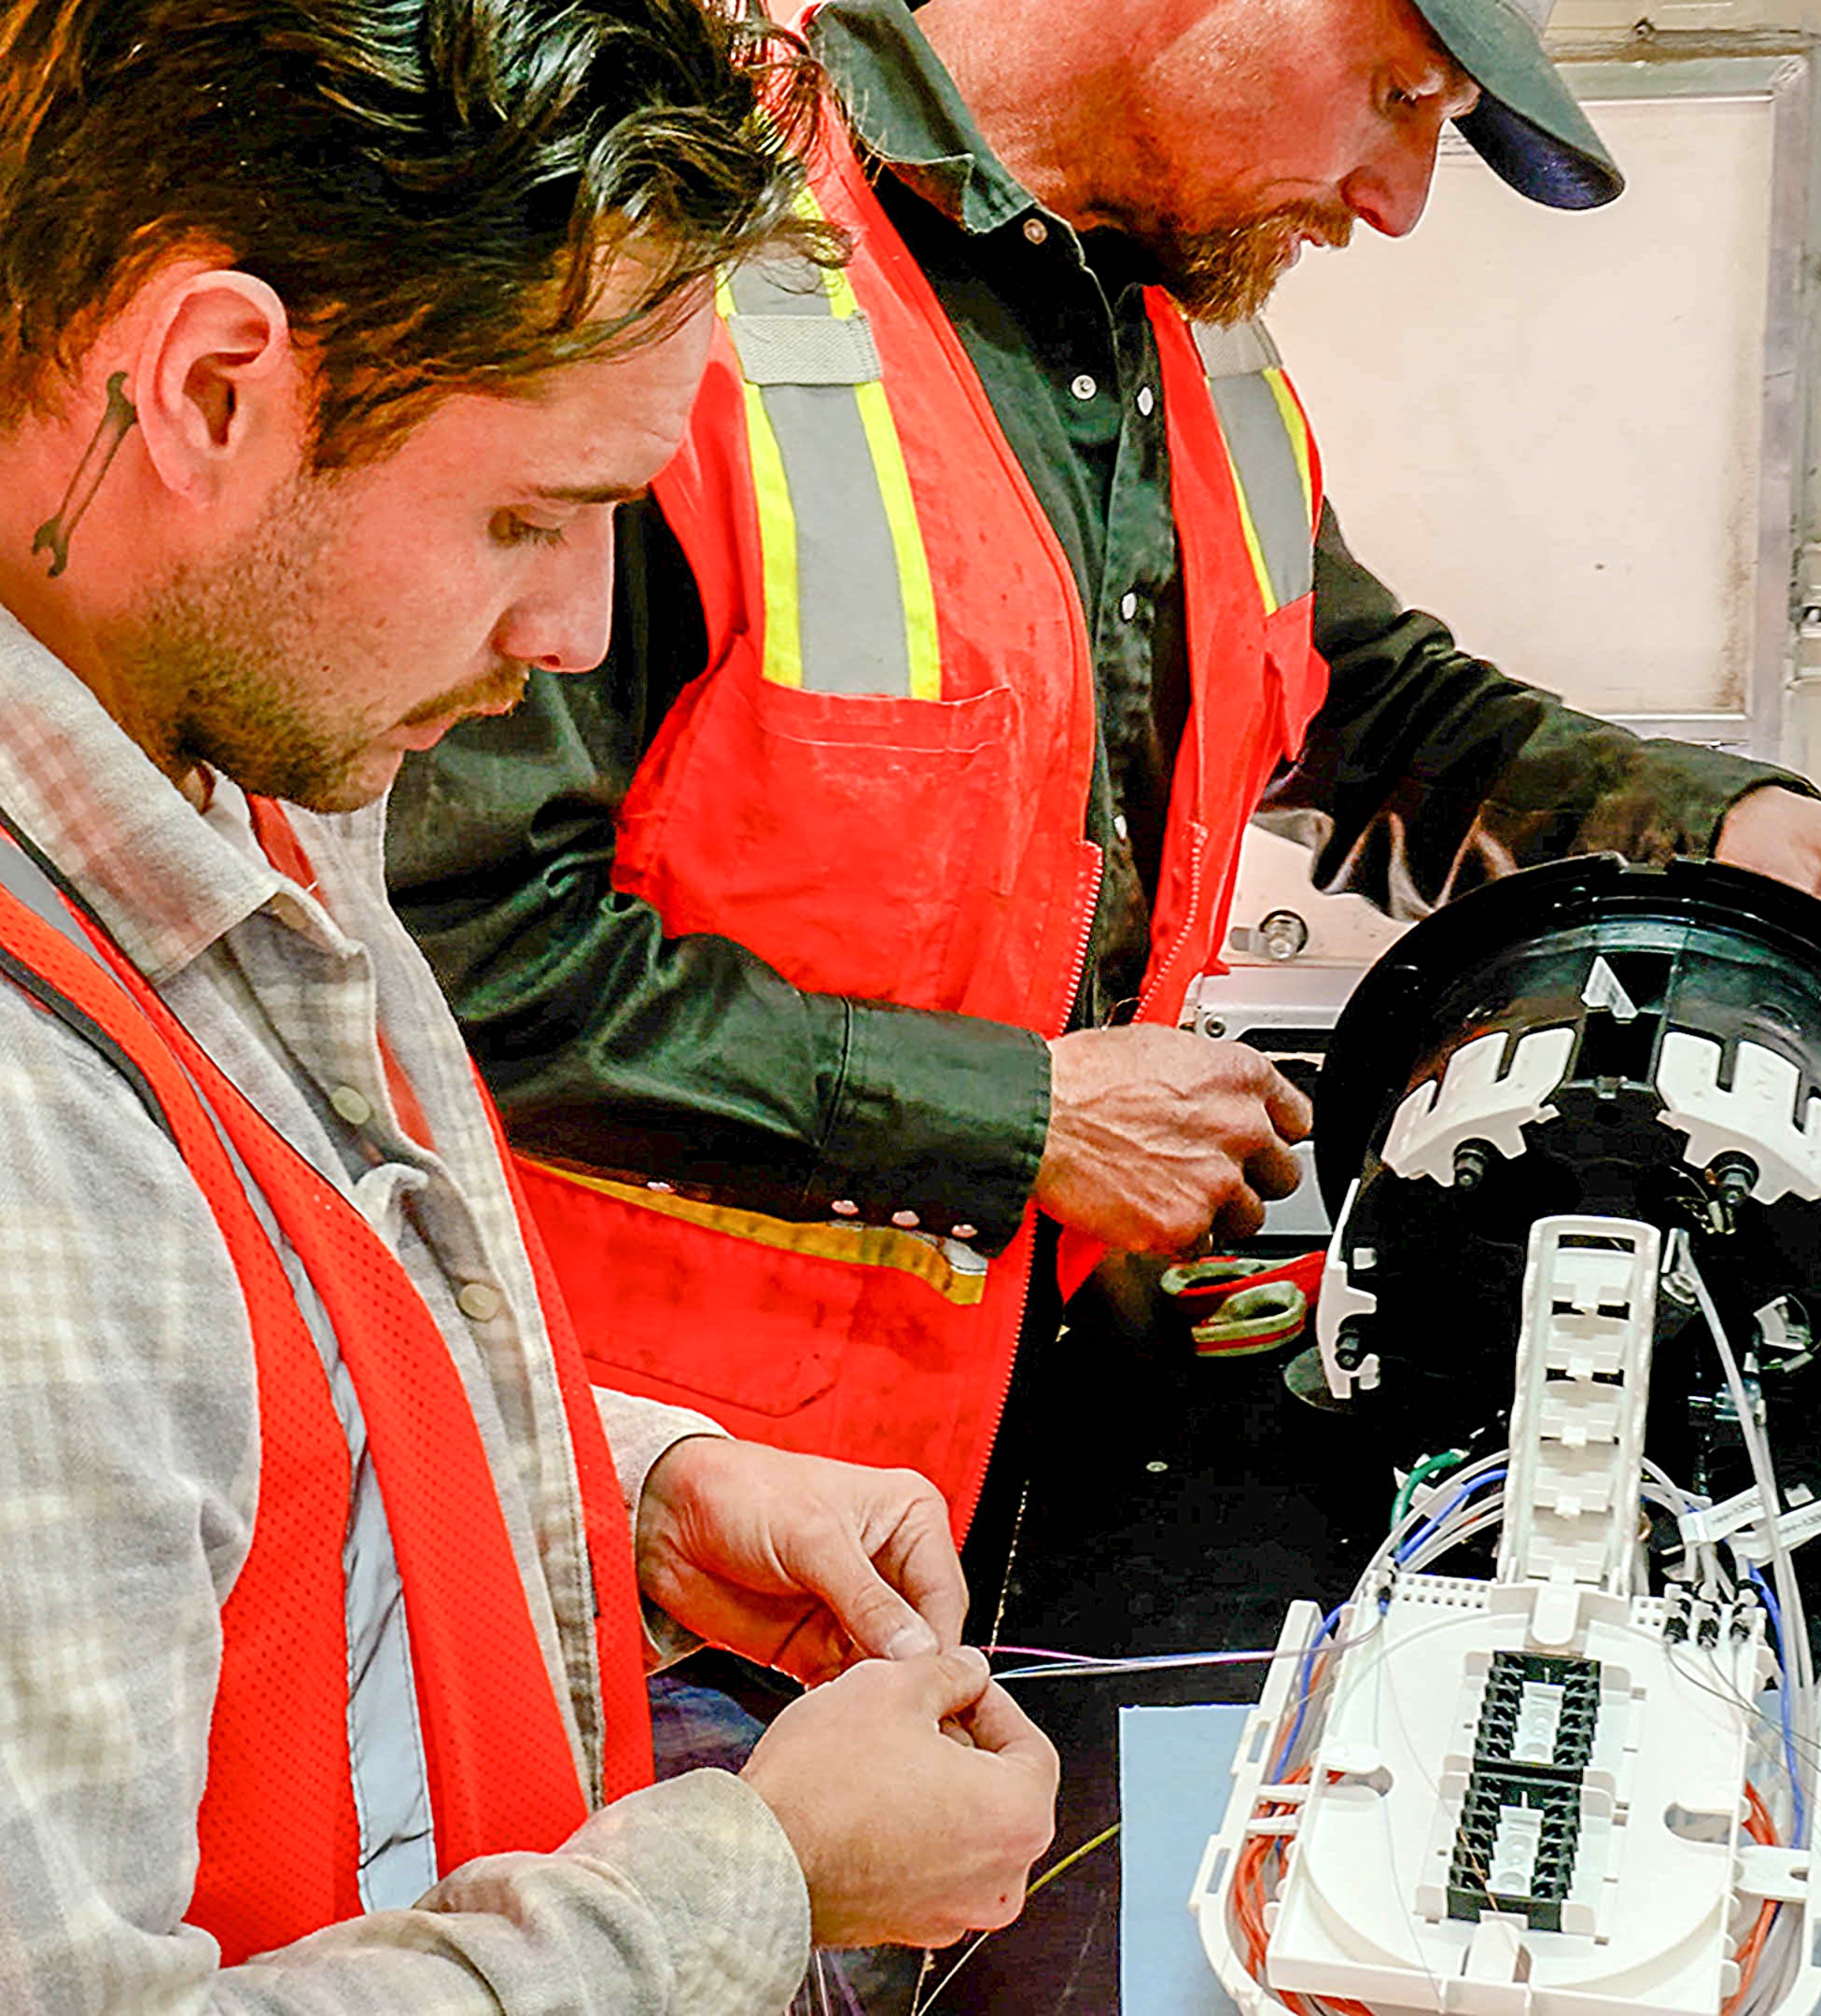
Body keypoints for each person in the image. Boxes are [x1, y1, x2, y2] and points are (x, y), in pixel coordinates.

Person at [386, 0, 1821, 1558]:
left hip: (1012, 1428)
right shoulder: (668, 259)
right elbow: (461, 959)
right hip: (658, 1504)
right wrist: (1022, 1122)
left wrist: (1722, 827)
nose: (1399, 200)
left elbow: (1369, 705)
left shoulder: (1180, 334)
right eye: (1399, 93)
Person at [0, 1, 1058, 2008]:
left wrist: (636, 1489)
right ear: (215, 389)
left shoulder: (236, 742)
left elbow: (237, 1400)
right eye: (526, 518)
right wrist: (757, 1875)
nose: (569, 630)